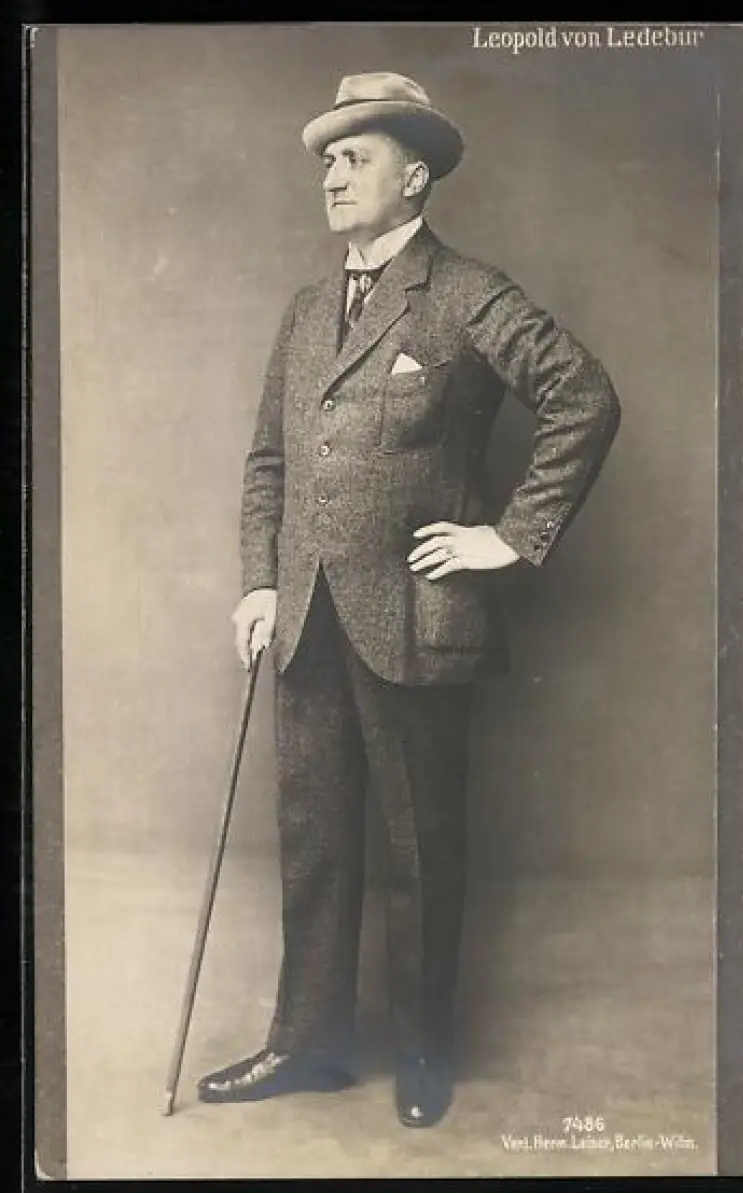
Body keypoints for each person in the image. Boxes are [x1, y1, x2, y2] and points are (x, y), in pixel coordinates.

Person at [198, 71, 621, 1128]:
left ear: (416, 175)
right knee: (314, 842)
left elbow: (582, 395)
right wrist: (260, 582)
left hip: (418, 625)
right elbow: (268, 464)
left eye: (356, 156)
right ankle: (310, 1045)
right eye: (326, 161)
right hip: (306, 623)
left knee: (420, 849)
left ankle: (425, 1054)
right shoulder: (306, 312)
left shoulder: (467, 293)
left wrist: (509, 537)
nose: (332, 176)